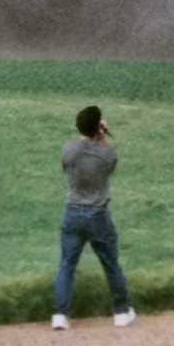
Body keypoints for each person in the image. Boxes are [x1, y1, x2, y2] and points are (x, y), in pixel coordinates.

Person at [52, 105, 137, 330]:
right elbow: (109, 164)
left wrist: (93, 133)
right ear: (99, 126)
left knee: (67, 265)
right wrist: (102, 137)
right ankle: (121, 312)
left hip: (72, 213)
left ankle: (60, 315)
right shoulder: (107, 153)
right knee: (111, 264)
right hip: (98, 215)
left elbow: (67, 164)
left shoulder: (69, 150)